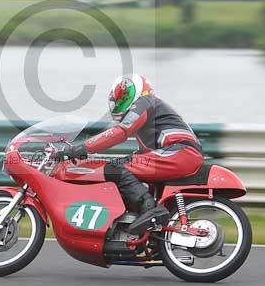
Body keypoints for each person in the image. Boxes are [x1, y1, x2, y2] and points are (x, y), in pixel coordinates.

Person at [54, 74, 204, 235]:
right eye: (118, 100)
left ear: (136, 91)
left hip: (179, 152)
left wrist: (81, 148)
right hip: (177, 152)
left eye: (123, 98)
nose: (119, 103)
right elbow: (146, 150)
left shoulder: (144, 102)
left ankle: (150, 209)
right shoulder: (153, 108)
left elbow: (120, 132)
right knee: (119, 166)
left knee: (114, 168)